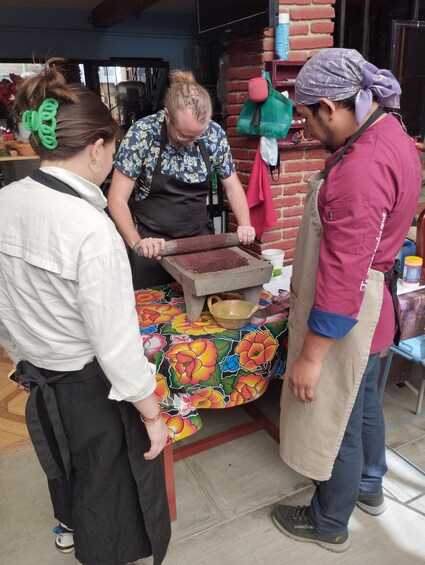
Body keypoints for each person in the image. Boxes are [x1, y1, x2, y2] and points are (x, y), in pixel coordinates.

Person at [0, 59, 170, 565]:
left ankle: (67, 529)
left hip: (38, 380)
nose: (113, 159)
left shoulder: (6, 201)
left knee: (65, 468)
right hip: (90, 391)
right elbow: (116, 346)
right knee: (109, 501)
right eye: (113, 148)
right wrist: (152, 412)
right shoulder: (92, 230)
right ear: (97, 147)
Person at [272, 49, 422, 552]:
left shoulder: (363, 166)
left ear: (331, 106)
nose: (308, 130)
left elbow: (343, 274)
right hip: (376, 311)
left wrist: (311, 358)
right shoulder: (393, 135)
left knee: (337, 418)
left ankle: (329, 521)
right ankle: (370, 488)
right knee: (364, 408)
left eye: (308, 117)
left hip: (350, 316)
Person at [108, 69, 255, 289]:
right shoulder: (142, 135)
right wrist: (137, 243)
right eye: (184, 135)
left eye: (197, 136)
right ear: (167, 115)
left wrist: (245, 224)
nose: (190, 143)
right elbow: (117, 199)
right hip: (153, 246)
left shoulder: (214, 135)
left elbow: (232, 187)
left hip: (198, 241)